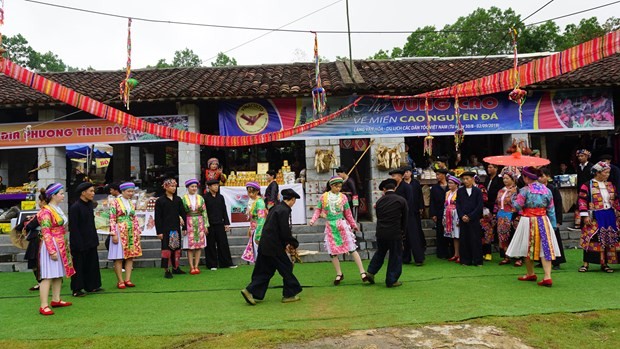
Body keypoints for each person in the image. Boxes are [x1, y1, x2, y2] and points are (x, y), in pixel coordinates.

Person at [241, 189, 303, 305]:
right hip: (274, 246)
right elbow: (284, 231)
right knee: (286, 267)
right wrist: (293, 243)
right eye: (294, 201)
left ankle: (250, 291)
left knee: (265, 271)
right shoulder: (284, 210)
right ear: (292, 200)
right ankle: (289, 294)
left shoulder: (276, 208)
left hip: (266, 244)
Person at [309, 176, 370, 285]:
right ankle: (339, 273)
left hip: (341, 224)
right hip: (330, 226)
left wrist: (353, 224)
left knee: (351, 249)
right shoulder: (324, 197)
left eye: (340, 187)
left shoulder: (343, 197)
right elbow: (318, 209)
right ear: (331, 186)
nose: (339, 189)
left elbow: (347, 212)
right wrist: (313, 220)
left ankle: (362, 272)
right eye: (337, 187)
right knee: (332, 252)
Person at [506, 167, 561, 287]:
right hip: (543, 219)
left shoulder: (525, 190)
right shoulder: (547, 190)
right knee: (545, 246)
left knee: (528, 246)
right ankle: (547, 276)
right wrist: (553, 224)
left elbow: (517, 206)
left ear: (526, 177)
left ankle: (530, 273)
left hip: (528, 220)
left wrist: (512, 198)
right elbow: (551, 209)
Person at [37, 183, 76, 316]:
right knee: (47, 275)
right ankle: (43, 305)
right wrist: (51, 250)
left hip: (60, 241)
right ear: (53, 195)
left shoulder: (56, 208)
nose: (63, 196)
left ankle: (56, 299)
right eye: (61, 193)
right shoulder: (46, 211)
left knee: (58, 273)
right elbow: (46, 231)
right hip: (52, 243)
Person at [577, 162, 619, 273]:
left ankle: (604, 264)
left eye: (608, 172)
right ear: (597, 173)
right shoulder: (587, 185)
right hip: (595, 215)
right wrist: (585, 215)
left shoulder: (610, 185)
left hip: (609, 214)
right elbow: (582, 200)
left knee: (606, 238)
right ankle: (586, 264)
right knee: (592, 238)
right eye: (605, 172)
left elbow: (615, 200)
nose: (607, 175)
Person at [366, 179, 408, 287]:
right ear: (395, 188)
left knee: (380, 252)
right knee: (395, 255)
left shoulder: (379, 202)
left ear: (384, 189)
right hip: (395, 232)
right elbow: (405, 219)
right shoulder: (401, 200)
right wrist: (403, 233)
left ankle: (371, 272)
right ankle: (391, 280)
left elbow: (379, 216)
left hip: (381, 232)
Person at [69, 182, 102, 297]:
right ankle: (77, 289)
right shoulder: (75, 207)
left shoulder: (89, 205)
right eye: (91, 191)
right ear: (83, 193)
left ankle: (92, 285)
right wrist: (78, 243)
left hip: (91, 239)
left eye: (93, 191)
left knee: (92, 263)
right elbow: (74, 227)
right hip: (79, 242)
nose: (93, 193)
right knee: (78, 265)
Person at [108, 182, 142, 288]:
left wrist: (138, 231)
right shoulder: (115, 202)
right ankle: (120, 280)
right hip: (120, 229)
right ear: (122, 191)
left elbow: (134, 217)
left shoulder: (131, 203)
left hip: (131, 230)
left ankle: (128, 279)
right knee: (119, 257)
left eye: (132, 191)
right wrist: (113, 233)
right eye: (128, 191)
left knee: (130, 256)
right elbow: (112, 218)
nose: (131, 193)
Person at [391, 167, 423, 265]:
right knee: (405, 237)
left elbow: (410, 201)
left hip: (409, 214)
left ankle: (419, 258)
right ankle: (406, 257)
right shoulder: (397, 186)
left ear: (399, 176)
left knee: (413, 236)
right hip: (401, 215)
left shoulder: (406, 186)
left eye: (394, 176)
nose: (393, 177)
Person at [155, 178, 186, 278]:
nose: (173, 188)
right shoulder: (160, 201)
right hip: (165, 229)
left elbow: (183, 213)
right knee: (166, 250)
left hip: (176, 227)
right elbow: (158, 217)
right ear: (165, 187)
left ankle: (176, 267)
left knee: (176, 248)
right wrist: (159, 232)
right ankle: (166, 270)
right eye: (171, 186)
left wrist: (184, 227)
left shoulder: (178, 199)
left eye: (174, 186)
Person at [203, 179, 235, 270]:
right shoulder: (205, 198)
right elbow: (204, 213)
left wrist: (226, 223)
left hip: (220, 223)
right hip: (209, 224)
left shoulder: (221, 197)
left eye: (217, 185)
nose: (216, 187)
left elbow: (224, 210)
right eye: (214, 185)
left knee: (223, 243)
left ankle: (226, 263)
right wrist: (205, 225)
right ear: (209, 187)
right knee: (210, 244)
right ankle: (212, 264)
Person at [539, 167, 567, 270]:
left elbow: (558, 205)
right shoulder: (535, 188)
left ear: (548, 177)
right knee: (542, 239)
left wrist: (558, 220)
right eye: (538, 176)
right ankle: (542, 260)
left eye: (542, 176)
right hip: (540, 216)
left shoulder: (552, 188)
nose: (540, 178)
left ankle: (557, 261)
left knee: (554, 238)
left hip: (552, 217)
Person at [456, 172, 484, 266]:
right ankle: (465, 260)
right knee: (464, 239)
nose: (465, 181)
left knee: (475, 239)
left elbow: (479, 206)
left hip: (474, 219)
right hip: (463, 219)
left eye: (467, 179)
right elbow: (458, 205)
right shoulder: (460, 191)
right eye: (464, 179)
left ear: (472, 179)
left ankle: (477, 260)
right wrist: (462, 216)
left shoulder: (477, 191)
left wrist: (471, 216)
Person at [181, 179, 209, 275]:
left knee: (199, 246)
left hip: (199, 221)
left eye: (195, 187)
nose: (194, 188)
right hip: (188, 222)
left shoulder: (200, 198)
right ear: (187, 188)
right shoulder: (183, 198)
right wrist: (183, 226)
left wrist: (206, 225)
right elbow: (181, 212)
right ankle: (191, 267)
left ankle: (196, 266)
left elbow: (204, 211)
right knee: (190, 247)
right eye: (192, 186)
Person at [16, 196, 44, 291]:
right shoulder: (51, 211)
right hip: (44, 239)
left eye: (40, 201)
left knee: (34, 261)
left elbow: (30, 226)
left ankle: (41, 282)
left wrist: (28, 222)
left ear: (43, 201)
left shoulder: (42, 213)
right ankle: (44, 282)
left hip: (38, 239)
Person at [403, 166, 426, 263]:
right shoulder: (401, 184)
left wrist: (421, 207)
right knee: (406, 234)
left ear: (411, 173)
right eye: (404, 172)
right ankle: (406, 257)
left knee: (416, 231)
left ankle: (420, 252)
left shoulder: (415, 183)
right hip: (405, 211)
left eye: (407, 172)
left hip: (415, 210)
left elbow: (420, 196)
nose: (406, 174)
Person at [494, 170, 518, 266]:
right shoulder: (501, 190)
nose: (505, 180)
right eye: (504, 178)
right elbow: (497, 203)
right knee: (503, 237)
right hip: (501, 215)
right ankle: (506, 256)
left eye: (507, 178)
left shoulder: (517, 190)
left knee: (513, 236)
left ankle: (518, 258)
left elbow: (519, 204)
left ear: (513, 180)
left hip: (512, 215)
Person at [241, 182, 267, 264]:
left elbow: (261, 219)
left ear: (257, 191)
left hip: (258, 228)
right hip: (253, 227)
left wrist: (259, 234)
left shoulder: (259, 202)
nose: (251, 194)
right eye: (249, 192)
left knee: (258, 250)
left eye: (253, 192)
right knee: (255, 251)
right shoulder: (253, 201)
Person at [430, 168, 451, 259]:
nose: (437, 176)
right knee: (440, 232)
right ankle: (441, 253)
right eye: (436, 175)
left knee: (450, 232)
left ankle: (451, 252)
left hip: (450, 212)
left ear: (444, 175)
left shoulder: (450, 186)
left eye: (439, 174)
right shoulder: (434, 187)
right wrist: (433, 214)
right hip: (439, 212)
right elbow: (432, 202)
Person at [475, 175, 494, 261]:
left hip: (483, 214)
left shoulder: (481, 188)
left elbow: (485, 199)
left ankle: (488, 252)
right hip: (475, 214)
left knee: (487, 233)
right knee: (478, 234)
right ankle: (481, 252)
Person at [574, 149, 593, 229]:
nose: (580, 158)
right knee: (580, 206)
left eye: (582, 156)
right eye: (579, 156)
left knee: (588, 206)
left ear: (587, 156)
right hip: (581, 190)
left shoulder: (591, 166)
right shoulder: (578, 167)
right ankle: (579, 224)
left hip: (589, 189)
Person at [443, 175, 461, 263]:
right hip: (449, 215)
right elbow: (445, 205)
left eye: (451, 183)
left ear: (456, 184)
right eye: (449, 182)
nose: (449, 184)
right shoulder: (447, 193)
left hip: (456, 214)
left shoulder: (459, 192)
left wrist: (459, 218)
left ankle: (461, 254)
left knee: (459, 235)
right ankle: (456, 254)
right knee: (454, 236)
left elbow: (460, 205)